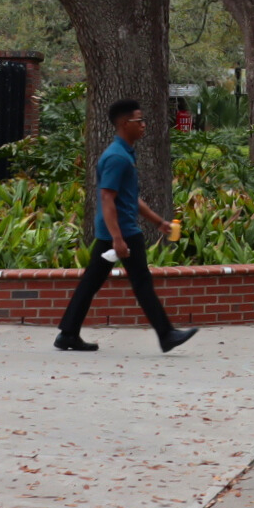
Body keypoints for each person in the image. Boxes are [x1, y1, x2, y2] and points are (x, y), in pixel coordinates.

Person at [55, 99, 200, 354]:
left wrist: (158, 222)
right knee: (141, 283)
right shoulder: (116, 157)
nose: (144, 125)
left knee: (91, 283)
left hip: (117, 231)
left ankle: (68, 334)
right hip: (122, 232)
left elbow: (129, 197)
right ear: (124, 124)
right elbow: (106, 198)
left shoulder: (124, 154)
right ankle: (166, 335)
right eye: (139, 121)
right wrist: (117, 239)